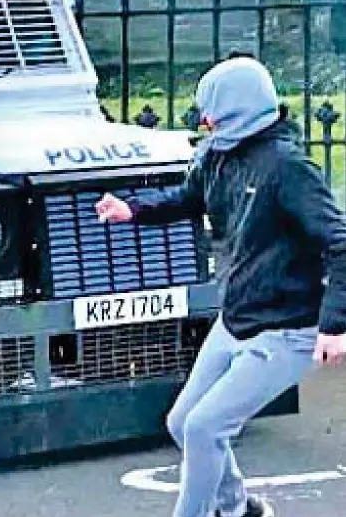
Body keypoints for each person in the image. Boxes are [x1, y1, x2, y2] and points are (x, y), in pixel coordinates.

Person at [95, 55, 346, 517]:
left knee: (205, 428)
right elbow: (188, 197)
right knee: (181, 422)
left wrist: (333, 324)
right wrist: (134, 209)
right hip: (236, 318)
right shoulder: (215, 154)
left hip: (286, 328)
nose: (204, 121)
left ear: (238, 112)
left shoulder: (288, 168)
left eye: (211, 113)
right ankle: (238, 510)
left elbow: (340, 241)